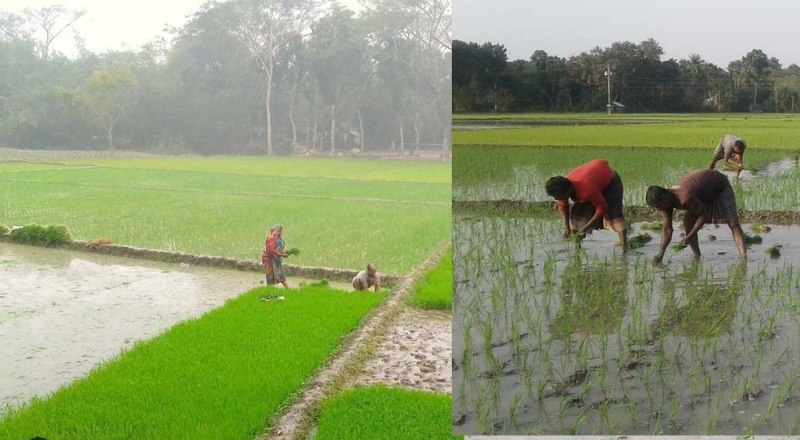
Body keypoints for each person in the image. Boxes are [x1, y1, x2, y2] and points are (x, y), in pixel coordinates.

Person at [646, 169, 746, 264]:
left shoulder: (685, 197)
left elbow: (703, 215)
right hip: (702, 191)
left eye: (658, 206)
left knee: (733, 223)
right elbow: (667, 229)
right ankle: (696, 256)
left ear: (665, 197)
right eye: (655, 207)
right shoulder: (666, 204)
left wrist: (689, 236)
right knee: (688, 221)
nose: (658, 209)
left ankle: (743, 257)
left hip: (719, 185)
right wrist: (661, 254)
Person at [544, 159, 628, 249]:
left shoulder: (586, 189)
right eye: (555, 197)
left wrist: (585, 227)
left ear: (567, 191)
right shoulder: (561, 188)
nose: (556, 199)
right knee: (577, 215)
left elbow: (602, 208)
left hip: (610, 181)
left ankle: (624, 246)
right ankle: (577, 248)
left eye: (557, 196)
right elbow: (563, 206)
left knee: (614, 213)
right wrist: (567, 228)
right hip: (593, 180)